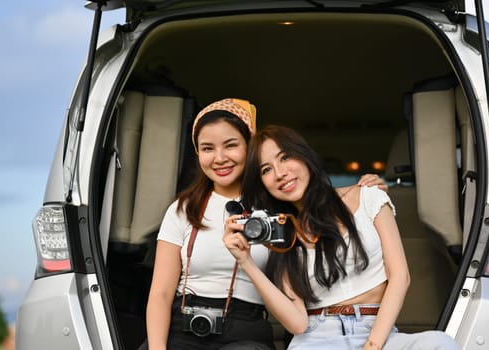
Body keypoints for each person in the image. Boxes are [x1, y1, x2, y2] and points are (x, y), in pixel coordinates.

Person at [145, 100, 387, 350]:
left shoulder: (281, 207)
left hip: (246, 330)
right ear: (197, 154)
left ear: (250, 148)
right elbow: (161, 294)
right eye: (207, 148)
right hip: (182, 325)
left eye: (231, 145)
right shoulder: (183, 208)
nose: (219, 158)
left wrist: (366, 189)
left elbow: (324, 202)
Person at [223, 125, 461, 350]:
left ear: (304, 156)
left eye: (285, 157)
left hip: (379, 333)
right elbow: (297, 324)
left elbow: (400, 277)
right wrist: (246, 262)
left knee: (439, 343)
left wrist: (373, 346)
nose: (280, 173)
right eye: (266, 169)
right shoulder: (281, 234)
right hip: (317, 337)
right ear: (262, 183)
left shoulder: (369, 197)